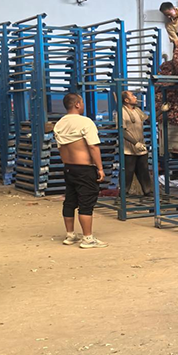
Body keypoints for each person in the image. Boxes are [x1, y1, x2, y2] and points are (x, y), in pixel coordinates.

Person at [54, 93, 107, 249]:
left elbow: (61, 149)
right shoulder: (85, 122)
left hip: (69, 168)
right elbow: (93, 146)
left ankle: (70, 235)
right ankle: (88, 238)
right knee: (86, 203)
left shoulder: (60, 124)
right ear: (77, 104)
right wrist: (100, 168)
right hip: (85, 168)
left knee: (70, 201)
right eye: (82, 102)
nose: (83, 105)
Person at [121, 91, 153, 196]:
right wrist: (135, 143)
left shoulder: (137, 110)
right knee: (128, 172)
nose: (135, 97)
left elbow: (149, 120)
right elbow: (122, 131)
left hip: (141, 148)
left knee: (144, 171)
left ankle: (147, 192)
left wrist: (161, 111)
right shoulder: (122, 112)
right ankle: (123, 194)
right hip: (129, 150)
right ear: (126, 100)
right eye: (132, 96)